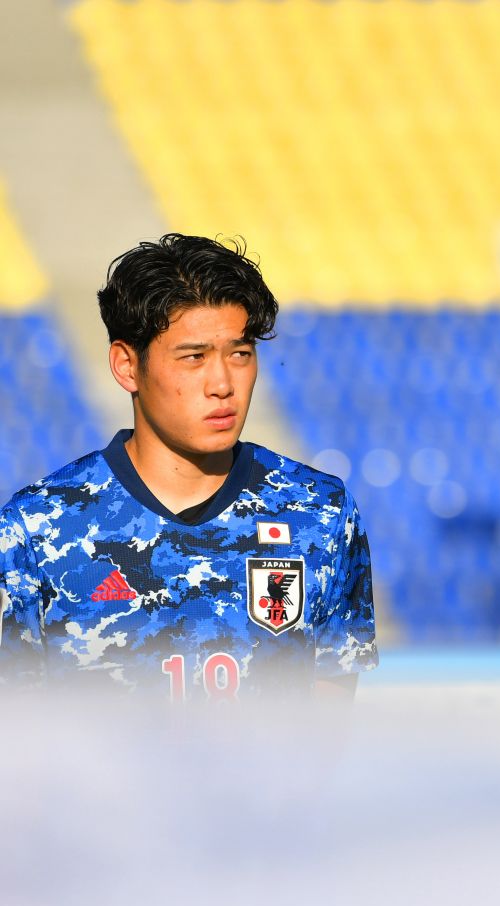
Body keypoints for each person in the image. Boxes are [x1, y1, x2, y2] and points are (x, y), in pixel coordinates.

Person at [0, 234, 377, 700]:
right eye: (193, 357)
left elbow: (328, 728)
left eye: (240, 354)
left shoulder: (319, 513)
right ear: (126, 365)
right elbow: (19, 736)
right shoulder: (35, 528)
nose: (223, 383)